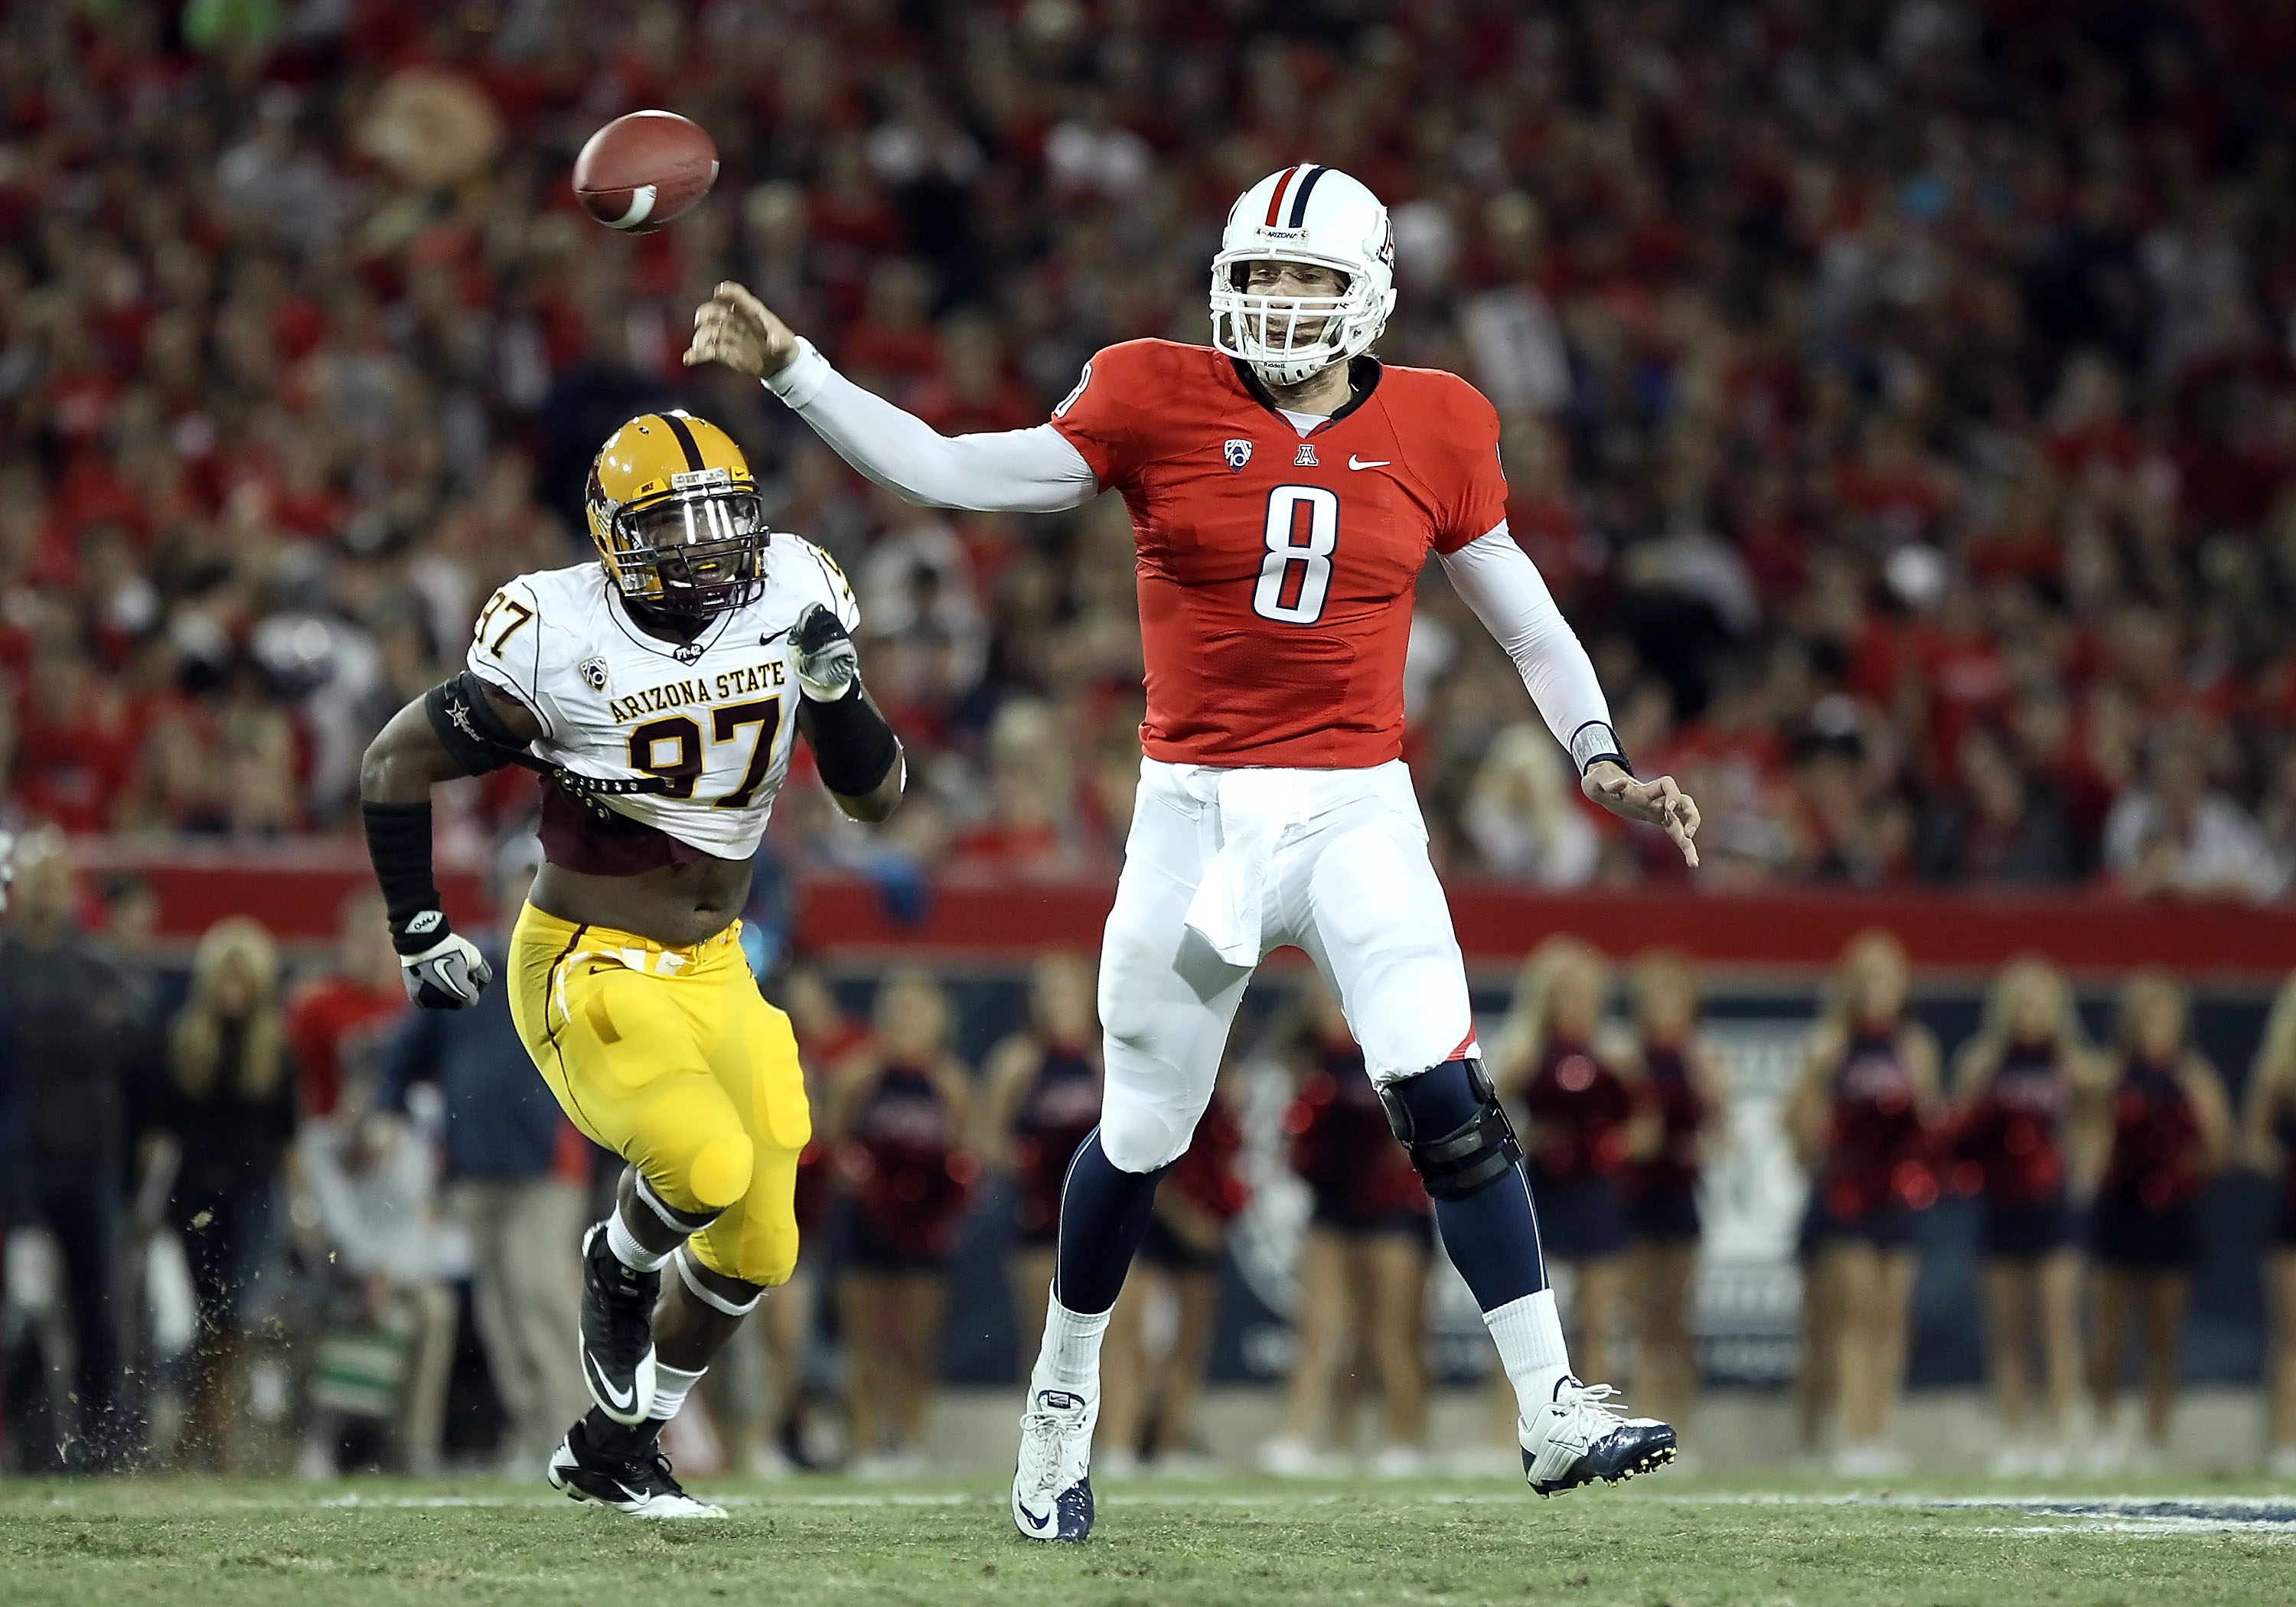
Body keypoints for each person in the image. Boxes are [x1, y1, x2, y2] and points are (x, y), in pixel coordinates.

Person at [690, 160, 1699, 1542]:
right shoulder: (1155, 392)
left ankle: (1550, 1406)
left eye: (1308, 279)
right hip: (1196, 810)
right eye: (1262, 275)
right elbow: (950, 468)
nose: (1280, 304)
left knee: (1445, 1090)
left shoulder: (1442, 421)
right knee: (1144, 1131)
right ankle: (1060, 1403)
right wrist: (798, 368)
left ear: (1371, 295)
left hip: (1357, 805)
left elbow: (1526, 620)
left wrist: (1600, 756)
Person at [357, 407, 905, 1517]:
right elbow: (392, 760)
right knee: (697, 1166)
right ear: (613, 536)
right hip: (585, 960)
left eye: (721, 523)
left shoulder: (795, 588)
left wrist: (838, 696)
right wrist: (417, 925)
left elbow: (877, 800)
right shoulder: (556, 630)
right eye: (673, 528)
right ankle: (617, 1262)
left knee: (759, 1244)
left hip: (714, 966)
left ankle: (614, 1445)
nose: (705, 552)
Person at [375, 837, 595, 1476]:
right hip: (473, 1166)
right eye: (517, 882)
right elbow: (404, 1050)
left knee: (540, 1297)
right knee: (500, 1314)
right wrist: (389, 1108)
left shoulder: (573, 968)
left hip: (545, 1166)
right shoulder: (463, 963)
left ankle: (573, 1438)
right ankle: (532, 1438)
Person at [0, 831, 137, 1468]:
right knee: (25, 1309)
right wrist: (81, 1029)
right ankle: (33, 1446)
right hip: (20, 1162)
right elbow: (92, 1035)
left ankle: (103, 1444)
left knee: (97, 1308)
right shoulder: (14, 963)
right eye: (38, 881)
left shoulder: (94, 965)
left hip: (88, 1157)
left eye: (57, 881)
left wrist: (51, 1033)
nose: (48, 894)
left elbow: (128, 1039)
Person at [1783, 930, 1941, 1476]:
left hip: (1897, 1195)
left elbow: (1927, 1125)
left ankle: (1878, 1431)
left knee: (1890, 1315)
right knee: (1843, 1318)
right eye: (1867, 977)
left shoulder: (1915, 1048)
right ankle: (1842, 1432)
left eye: (1888, 977)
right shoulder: (1830, 1044)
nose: (1877, 988)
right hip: (1845, 1193)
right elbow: (1799, 1127)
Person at [1262, 975, 1433, 1477]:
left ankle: (1405, 1440)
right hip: (1332, 1208)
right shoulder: (1307, 1065)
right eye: (1322, 1003)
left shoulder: (1396, 1053)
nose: (1333, 1013)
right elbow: (1298, 1141)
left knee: (1389, 1334)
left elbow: (1420, 1132)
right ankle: (1307, 1437)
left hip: (1393, 1211)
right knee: (1318, 1328)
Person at [151, 917, 298, 1473]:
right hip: (193, 1195)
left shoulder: (273, 1048)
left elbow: (288, 1136)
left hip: (255, 1193)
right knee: (207, 1317)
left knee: (236, 1316)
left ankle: (200, 1444)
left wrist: (300, 1210)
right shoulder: (183, 1041)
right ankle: (212, 1440)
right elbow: (160, 1128)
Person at [1949, 956, 2101, 1475]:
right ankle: (2015, 1434)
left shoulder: (2075, 1067)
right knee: (2008, 1329)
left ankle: (2061, 1435)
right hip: (2002, 1206)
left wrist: (2083, 1174)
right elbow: (1960, 1129)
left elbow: (2095, 1125)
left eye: (2041, 1003)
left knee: (2057, 1326)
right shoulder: (1983, 1064)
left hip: (2053, 1208)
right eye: (2022, 1003)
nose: (2031, 1013)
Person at [823, 969, 974, 1475]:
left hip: (923, 1232)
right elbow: (831, 1140)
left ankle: (911, 1443)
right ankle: (865, 1443)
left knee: (916, 1343)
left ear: (939, 1022)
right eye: (899, 1011)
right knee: (863, 1343)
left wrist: (930, 1198)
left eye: (919, 1012)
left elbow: (963, 1154)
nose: (908, 1022)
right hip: (864, 1225)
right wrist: (864, 1183)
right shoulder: (857, 1075)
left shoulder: (949, 1082)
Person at [2082, 972, 2231, 1469]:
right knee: (2107, 1330)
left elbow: (2218, 1148)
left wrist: (2179, 1165)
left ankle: (2154, 1439)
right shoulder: (2110, 1075)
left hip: (2169, 1213)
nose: (2154, 1027)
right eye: (2145, 1017)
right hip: (2119, 1207)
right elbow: (2092, 1140)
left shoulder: (2194, 1077)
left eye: (2164, 1017)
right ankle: (2103, 1431)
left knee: (2163, 1334)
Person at [1494, 937, 1632, 1391]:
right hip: (1541, 1189)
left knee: (1597, 1322)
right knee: (1523, 1319)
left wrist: (1612, 1148)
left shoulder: (1614, 1055)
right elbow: (1492, 1111)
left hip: (1595, 1190)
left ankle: (1601, 1422)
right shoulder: (1526, 1053)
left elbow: (1643, 1120)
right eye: (1564, 994)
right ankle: (1504, 1431)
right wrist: (1528, 1141)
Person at [1098, 1055, 1247, 1475]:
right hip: (1150, 1214)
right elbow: (1136, 1153)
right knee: (1128, 1343)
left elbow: (1230, 1157)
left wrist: (1216, 1215)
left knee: (1189, 1344)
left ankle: (1171, 1446)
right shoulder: (1146, 1067)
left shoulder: (1230, 1080)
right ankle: (1118, 1449)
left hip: (1201, 1218)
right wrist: (1184, 1217)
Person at [978, 952, 1104, 1374]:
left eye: (1067, 988)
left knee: (1108, 1339)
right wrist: (1029, 1165)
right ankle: (1039, 1433)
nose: (1057, 1000)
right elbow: (986, 1137)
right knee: (1043, 1335)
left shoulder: (1107, 1058)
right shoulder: (1018, 1060)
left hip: (1101, 1214)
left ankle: (1111, 1438)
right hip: (1039, 1215)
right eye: (1047, 991)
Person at [1619, 950, 1726, 1446]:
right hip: (1636, 1196)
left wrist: (1702, 1146)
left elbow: (1723, 1130)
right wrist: (1634, 1143)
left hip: (1680, 1195)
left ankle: (1683, 1426)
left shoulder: (1700, 1059)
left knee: (1678, 1319)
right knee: (1640, 1317)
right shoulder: (1627, 1057)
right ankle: (1641, 1420)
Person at [284, 892, 406, 1123]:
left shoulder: (417, 1008)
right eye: (366, 943)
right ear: (347, 943)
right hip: (330, 1129)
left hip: (399, 1132)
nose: (376, 954)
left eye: (384, 943)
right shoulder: (317, 1005)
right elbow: (294, 1077)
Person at [2245, 973, 2296, 1477]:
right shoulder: (2280, 1069)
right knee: (2290, 1336)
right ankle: (2283, 1445)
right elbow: (2253, 1139)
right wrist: (2284, 1162)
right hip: (2292, 1218)